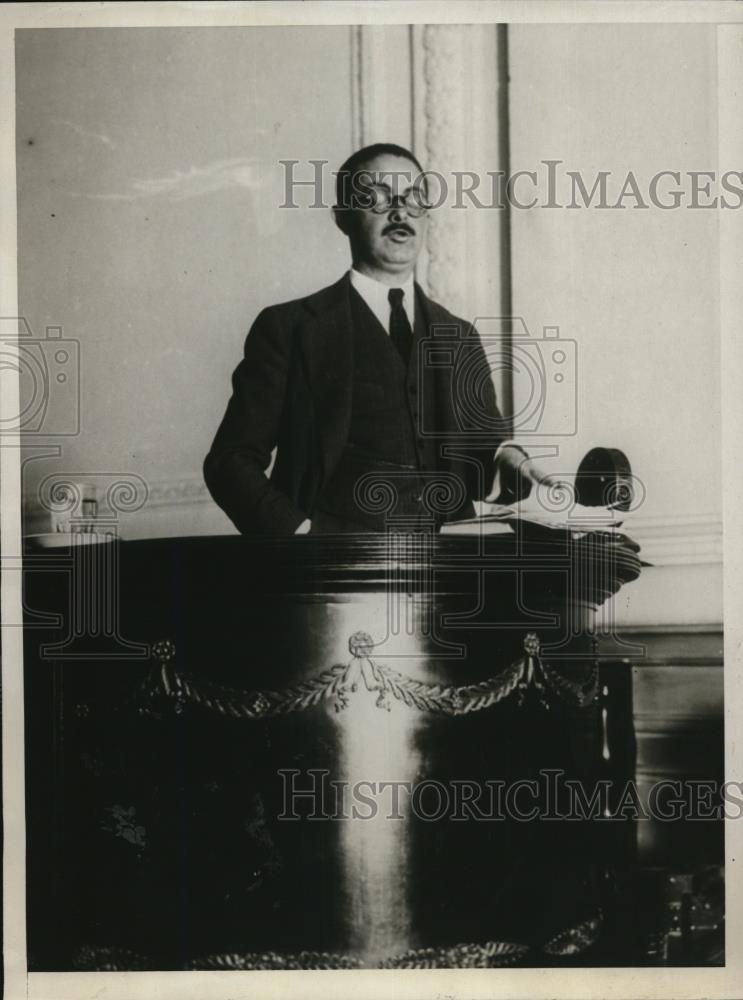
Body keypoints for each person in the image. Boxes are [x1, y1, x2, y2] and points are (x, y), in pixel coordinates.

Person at [204, 142, 552, 535]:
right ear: (342, 217)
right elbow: (230, 461)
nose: (400, 212)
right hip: (332, 582)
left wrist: (508, 457)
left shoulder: (459, 336)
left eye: (413, 199)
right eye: (377, 197)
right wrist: (298, 536)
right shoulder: (289, 328)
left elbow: (485, 445)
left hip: (448, 574)